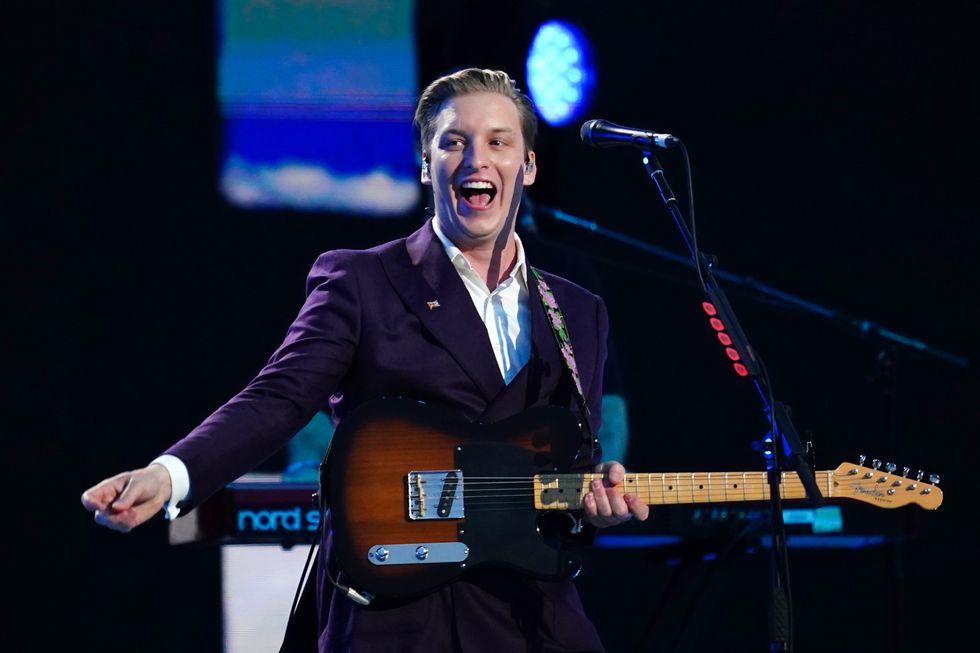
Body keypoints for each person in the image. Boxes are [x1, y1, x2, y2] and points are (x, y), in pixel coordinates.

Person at [81, 67, 649, 652]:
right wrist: (170, 473)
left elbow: (572, 464)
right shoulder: (363, 280)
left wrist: (595, 508)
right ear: (427, 165)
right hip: (399, 614)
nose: (476, 159)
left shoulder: (578, 311)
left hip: (533, 617)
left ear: (527, 166)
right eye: (454, 141)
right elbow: (278, 398)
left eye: (499, 141)